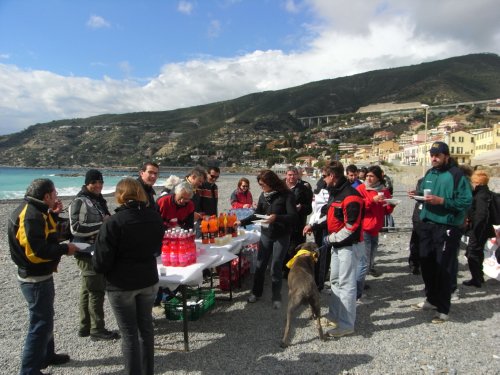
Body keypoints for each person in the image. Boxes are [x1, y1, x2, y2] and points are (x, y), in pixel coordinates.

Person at [93, 178, 164, 375]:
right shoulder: (155, 217)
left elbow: (100, 262)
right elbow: (157, 248)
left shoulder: (114, 222)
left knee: (130, 334)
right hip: (148, 280)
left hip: (122, 284)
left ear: (120, 196)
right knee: (146, 329)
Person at [7, 178, 78, 375]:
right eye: (54, 193)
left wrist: (54, 215)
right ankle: (29, 371)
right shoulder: (31, 215)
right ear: (46, 196)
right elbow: (36, 252)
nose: (57, 196)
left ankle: (47, 355)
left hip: (40, 276)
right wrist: (65, 249)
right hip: (34, 278)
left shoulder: (38, 210)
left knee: (45, 317)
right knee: (40, 323)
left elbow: (48, 234)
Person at [409, 141, 472, 324]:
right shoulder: (430, 173)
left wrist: (442, 201)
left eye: (438, 155)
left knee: (444, 267)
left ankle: (443, 308)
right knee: (426, 263)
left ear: (446, 156)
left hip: (447, 227)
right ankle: (431, 299)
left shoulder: (457, 175)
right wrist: (417, 193)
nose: (434, 158)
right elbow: (424, 193)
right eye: (432, 155)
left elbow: (466, 201)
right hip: (427, 225)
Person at [305, 162, 364, 337]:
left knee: (346, 285)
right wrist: (314, 227)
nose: (323, 179)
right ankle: (334, 315)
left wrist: (330, 238)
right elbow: (332, 217)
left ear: (332, 176)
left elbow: (352, 227)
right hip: (338, 245)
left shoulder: (351, 196)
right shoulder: (336, 193)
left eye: (324, 176)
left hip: (349, 246)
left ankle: (346, 324)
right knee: (336, 282)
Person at [69, 169, 120, 341]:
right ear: (87, 183)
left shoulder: (97, 200)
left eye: (100, 182)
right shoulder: (80, 201)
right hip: (86, 252)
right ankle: (97, 329)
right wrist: (103, 224)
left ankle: (85, 326)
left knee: (87, 289)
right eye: (94, 182)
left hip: (95, 250)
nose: (98, 185)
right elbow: (75, 228)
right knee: (96, 291)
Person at [238, 169, 298, 309]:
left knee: (276, 267)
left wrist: (276, 217)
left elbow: (293, 217)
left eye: (263, 184)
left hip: (281, 235)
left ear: (271, 183)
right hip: (266, 234)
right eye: (260, 185)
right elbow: (257, 214)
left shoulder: (287, 195)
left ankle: (276, 296)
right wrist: (241, 222)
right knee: (260, 265)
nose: (261, 187)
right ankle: (256, 293)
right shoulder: (263, 195)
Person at [355, 166, 395, 300]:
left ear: (378, 178)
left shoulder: (383, 190)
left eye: (371, 176)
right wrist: (372, 200)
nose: (368, 178)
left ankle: (362, 284)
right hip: (364, 229)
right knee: (363, 261)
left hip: (376, 228)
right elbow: (357, 206)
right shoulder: (361, 189)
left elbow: (387, 211)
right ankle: (357, 292)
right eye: (367, 176)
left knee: (371, 259)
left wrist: (391, 204)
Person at [463, 170, 495, 287]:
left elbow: (481, 216)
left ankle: (476, 279)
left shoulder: (480, 195)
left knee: (472, 253)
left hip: (478, 230)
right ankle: (479, 277)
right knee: (477, 252)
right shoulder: (485, 193)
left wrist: (475, 232)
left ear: (477, 183)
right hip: (482, 229)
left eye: (473, 182)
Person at [283, 166, 313, 277]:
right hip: (283, 223)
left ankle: (294, 272)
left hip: (298, 223)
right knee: (283, 248)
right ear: (286, 175)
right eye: (289, 174)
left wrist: (301, 208)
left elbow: (310, 209)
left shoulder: (304, 189)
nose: (291, 177)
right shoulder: (280, 187)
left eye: (294, 174)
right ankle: (283, 270)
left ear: (297, 175)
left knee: (296, 248)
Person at [408, 177, 424, 275]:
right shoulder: (422, 180)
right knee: (416, 239)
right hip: (419, 214)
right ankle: (414, 264)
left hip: (432, 215)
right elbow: (418, 194)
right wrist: (416, 194)